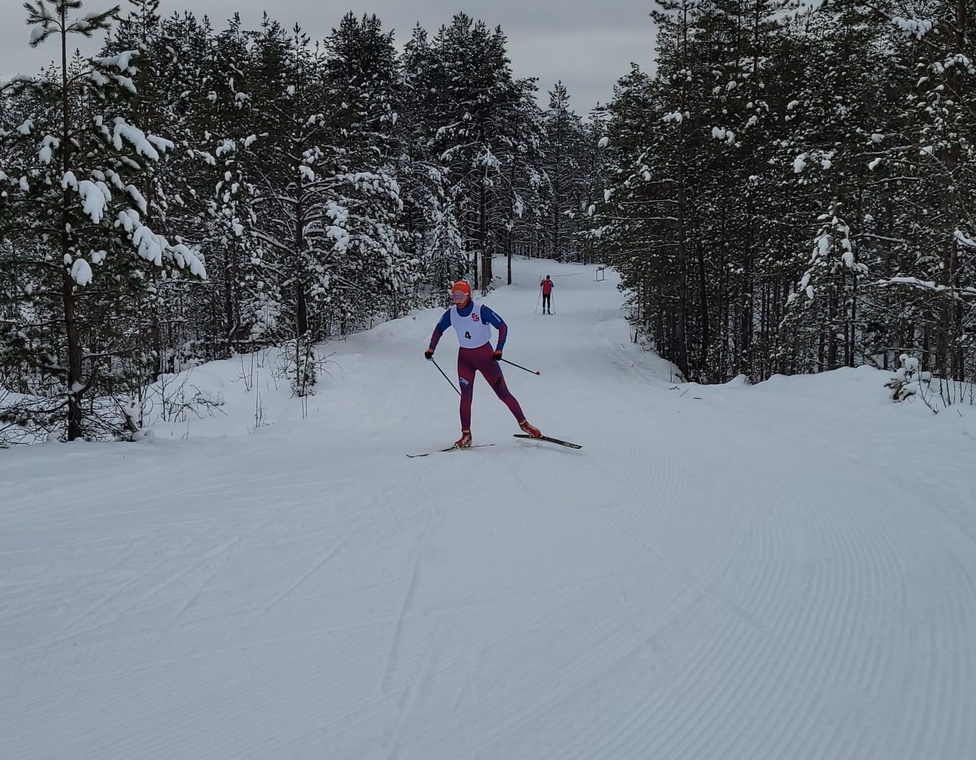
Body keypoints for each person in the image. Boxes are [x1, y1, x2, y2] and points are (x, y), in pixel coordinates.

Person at [425, 280, 542, 448]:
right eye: (454, 296)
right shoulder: (451, 314)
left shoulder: (481, 311)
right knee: (465, 397)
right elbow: (438, 330)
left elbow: (502, 326)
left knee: (503, 394)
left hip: (486, 358)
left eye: (460, 296)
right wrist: (431, 348)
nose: (457, 300)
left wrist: (499, 349)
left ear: (468, 295)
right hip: (465, 359)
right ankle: (466, 435)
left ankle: (524, 424)